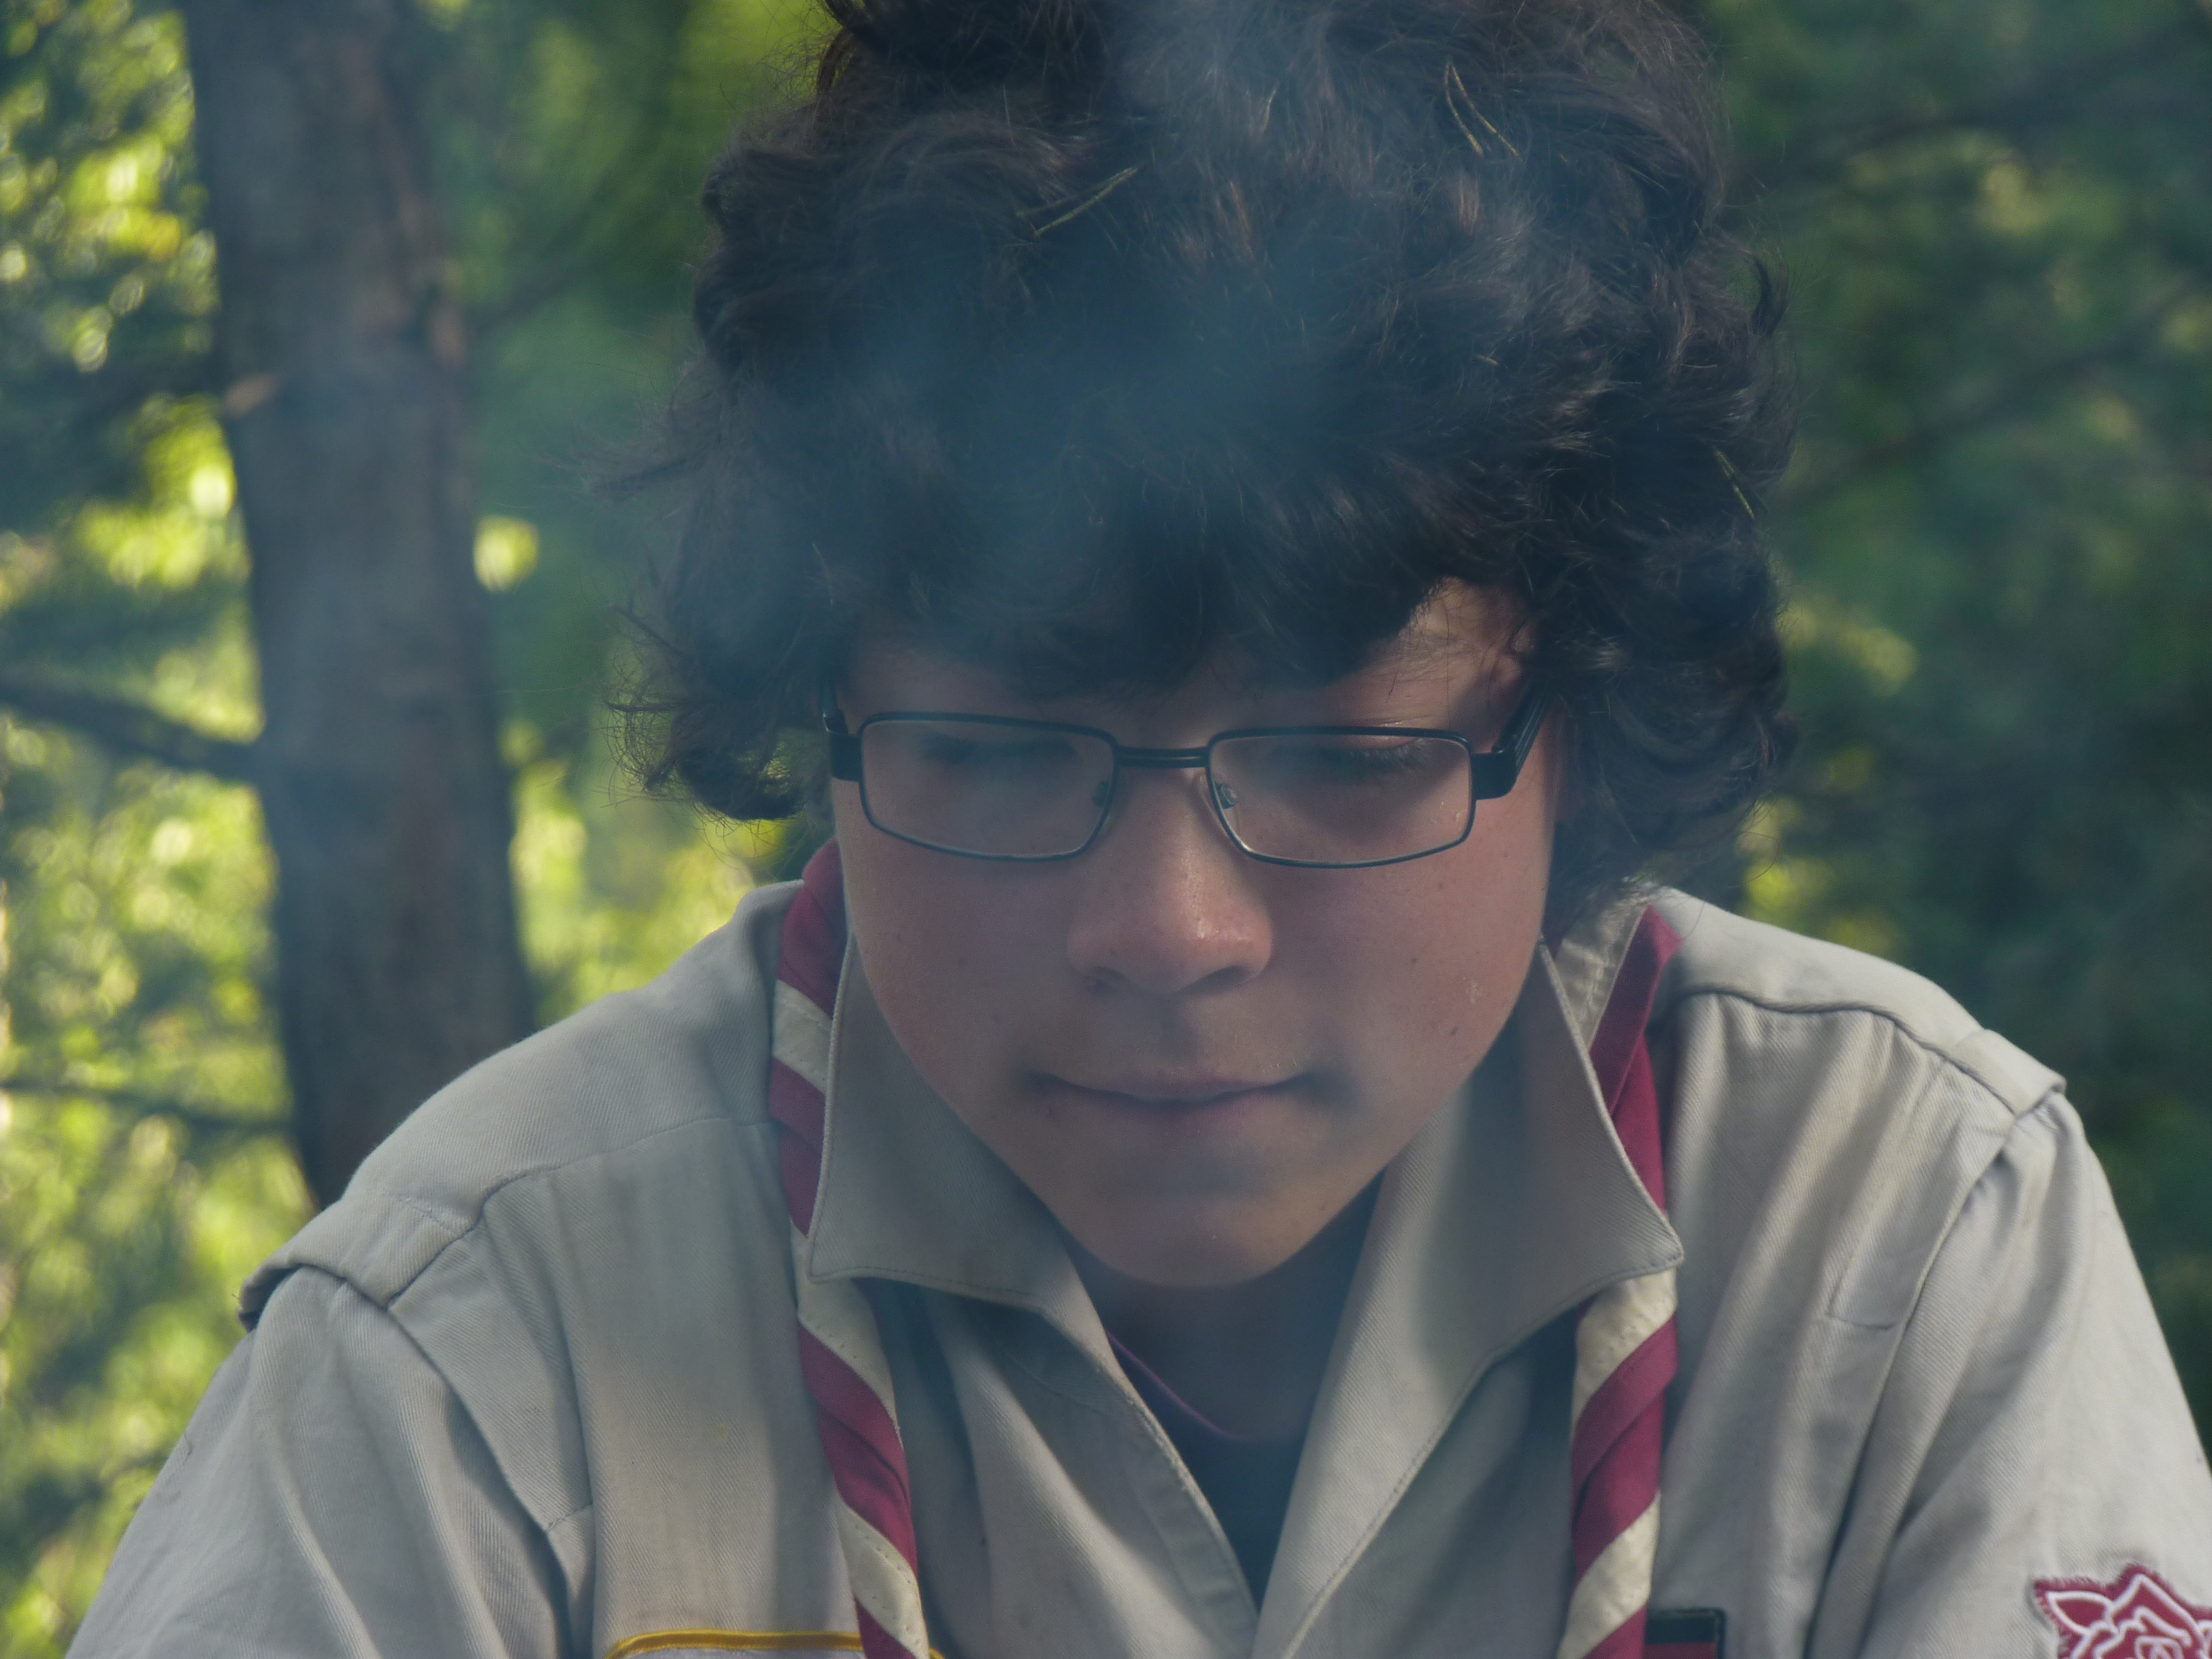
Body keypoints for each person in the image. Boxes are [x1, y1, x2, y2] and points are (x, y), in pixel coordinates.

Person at [70, 0, 2212, 1652]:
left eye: (1348, 761)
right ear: (819, 710)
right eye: (999, 756)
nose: (1169, 929)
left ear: (1579, 721)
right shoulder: (474, 1359)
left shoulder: (1901, 1245)